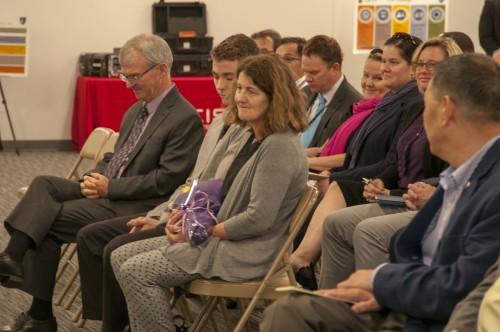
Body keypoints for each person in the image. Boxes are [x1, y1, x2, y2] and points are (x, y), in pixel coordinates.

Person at [261, 53, 500, 332]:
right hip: (410, 304)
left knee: (291, 314)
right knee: (295, 310)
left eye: (426, 106)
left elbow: (463, 287)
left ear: (446, 110)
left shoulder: (492, 184)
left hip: (436, 319)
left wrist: (383, 283)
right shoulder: (462, 175)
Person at [0, 34, 204, 332]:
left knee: (43, 220)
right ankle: (13, 261)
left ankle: (39, 312)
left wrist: (110, 188)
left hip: (137, 203)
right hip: (109, 191)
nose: (128, 83)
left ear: (161, 70)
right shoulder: (137, 109)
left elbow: (167, 180)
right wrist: (96, 176)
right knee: (43, 184)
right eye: (124, 76)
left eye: (134, 76)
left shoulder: (184, 117)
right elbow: (116, 156)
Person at [111, 54, 308, 332]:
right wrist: (177, 219)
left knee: (136, 271)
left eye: (251, 91)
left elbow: (257, 220)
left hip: (246, 251)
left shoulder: (279, 146)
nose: (240, 97)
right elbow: (209, 186)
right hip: (218, 237)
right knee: (120, 256)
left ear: (275, 97)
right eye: (239, 88)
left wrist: (200, 232)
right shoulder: (249, 133)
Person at [75, 34, 259, 332]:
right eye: (215, 76)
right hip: (189, 219)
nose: (222, 86)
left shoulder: (257, 135)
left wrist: (172, 223)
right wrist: (160, 216)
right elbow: (195, 183)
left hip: (213, 233)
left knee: (117, 251)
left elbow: (235, 203)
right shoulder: (222, 124)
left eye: (230, 78)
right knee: (103, 240)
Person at [291, 33, 425, 286]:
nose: (383, 69)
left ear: (411, 68)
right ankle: (304, 267)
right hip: (369, 179)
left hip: (387, 186)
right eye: (382, 61)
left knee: (337, 195)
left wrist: (336, 175)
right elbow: (353, 152)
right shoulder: (385, 102)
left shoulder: (411, 102)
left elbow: (392, 161)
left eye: (393, 62)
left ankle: (303, 262)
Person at [306, 48, 388, 171]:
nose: (368, 83)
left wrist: (306, 162)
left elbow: (355, 157)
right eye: (366, 75)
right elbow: (323, 150)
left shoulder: (384, 116)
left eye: (378, 78)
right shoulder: (359, 109)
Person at [300, 35, 362, 148]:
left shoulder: (354, 105)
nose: (307, 78)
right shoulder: (304, 93)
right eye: (304, 72)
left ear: (335, 68)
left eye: (314, 73)